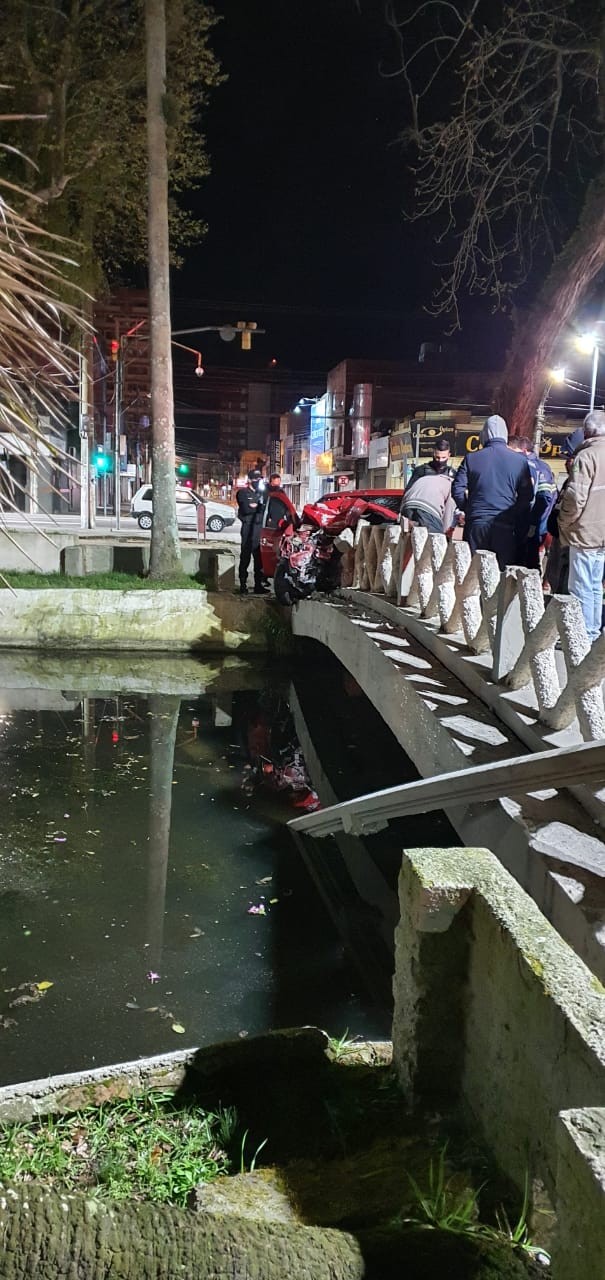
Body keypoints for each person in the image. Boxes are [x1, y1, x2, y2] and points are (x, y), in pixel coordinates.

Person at [451, 415, 533, 569]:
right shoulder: (520, 461)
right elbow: (527, 495)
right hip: (504, 525)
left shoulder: (471, 458)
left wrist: (468, 508)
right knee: (500, 572)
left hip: (476, 523)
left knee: (473, 572)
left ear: (484, 434)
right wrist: (513, 512)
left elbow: (457, 489)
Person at [558, 409, 605, 642]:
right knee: (595, 586)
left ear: (586, 432)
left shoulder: (585, 457)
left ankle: (581, 636)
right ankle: (593, 632)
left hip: (585, 531)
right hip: (602, 534)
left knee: (580, 586)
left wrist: (564, 521)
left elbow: (575, 498)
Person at [508, 435, 557, 569]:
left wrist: (533, 524)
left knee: (525, 559)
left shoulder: (529, 466)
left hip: (528, 523)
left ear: (523, 451)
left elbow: (544, 498)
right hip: (534, 524)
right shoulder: (544, 466)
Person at [400, 436, 457, 533]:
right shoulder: (421, 471)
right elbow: (408, 491)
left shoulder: (452, 474)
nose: (440, 461)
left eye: (443, 458)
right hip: (426, 510)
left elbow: (451, 504)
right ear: (433, 454)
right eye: (437, 457)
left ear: (449, 455)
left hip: (432, 511)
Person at [236, 469, 269, 596]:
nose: (257, 481)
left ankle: (258, 585)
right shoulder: (243, 493)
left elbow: (264, 509)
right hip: (247, 528)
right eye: (255, 479)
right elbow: (246, 509)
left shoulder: (262, 493)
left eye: (259, 479)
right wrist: (256, 507)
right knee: (245, 557)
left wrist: (256, 506)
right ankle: (243, 584)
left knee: (259, 559)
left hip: (259, 529)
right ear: (249, 480)